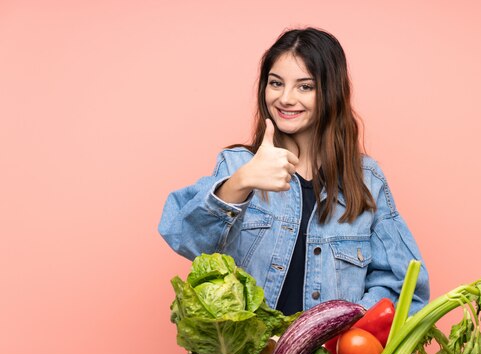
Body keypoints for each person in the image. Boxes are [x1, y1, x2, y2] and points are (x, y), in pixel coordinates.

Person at [158, 27, 429, 316]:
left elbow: (404, 286)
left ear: (331, 92)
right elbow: (183, 237)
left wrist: (342, 325)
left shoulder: (366, 179)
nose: (285, 98)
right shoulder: (237, 165)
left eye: (305, 86)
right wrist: (241, 182)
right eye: (276, 83)